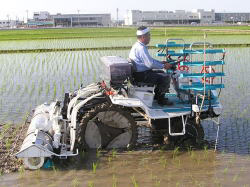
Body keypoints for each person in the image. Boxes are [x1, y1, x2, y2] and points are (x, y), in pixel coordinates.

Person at [129, 26, 173, 106]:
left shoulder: (137, 45)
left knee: (160, 72)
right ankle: (161, 100)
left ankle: (157, 96)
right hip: (141, 75)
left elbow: (150, 60)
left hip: (139, 74)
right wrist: (164, 66)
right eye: (148, 35)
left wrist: (161, 63)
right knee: (165, 77)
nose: (150, 37)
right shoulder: (141, 48)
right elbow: (150, 64)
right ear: (143, 37)